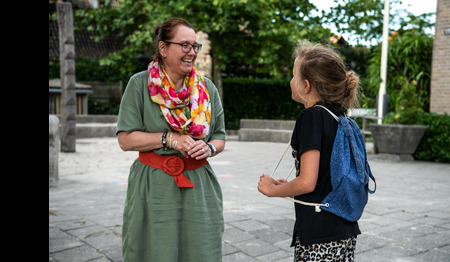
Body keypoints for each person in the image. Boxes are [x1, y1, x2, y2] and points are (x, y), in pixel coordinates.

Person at [116, 17, 226, 261]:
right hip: (153, 185)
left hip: (199, 186)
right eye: (184, 45)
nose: (191, 52)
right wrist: (169, 139)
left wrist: (208, 148)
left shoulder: (207, 88)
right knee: (153, 250)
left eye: (195, 46)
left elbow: (220, 137)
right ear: (163, 48)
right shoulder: (139, 84)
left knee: (200, 250)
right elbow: (125, 140)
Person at [257, 40, 362, 262]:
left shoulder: (311, 116)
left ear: (306, 85)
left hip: (320, 233)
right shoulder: (339, 116)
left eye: (294, 76)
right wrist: (288, 187)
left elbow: (307, 183)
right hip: (344, 228)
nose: (290, 81)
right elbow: (324, 176)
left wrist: (271, 190)